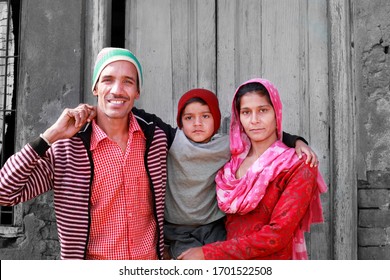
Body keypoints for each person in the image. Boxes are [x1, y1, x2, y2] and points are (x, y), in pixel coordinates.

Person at [0, 47, 176, 260]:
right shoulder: (67, 148)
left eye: (128, 81)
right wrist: (50, 136)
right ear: (95, 87)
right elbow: (5, 193)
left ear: (137, 91)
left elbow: (201, 149)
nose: (117, 90)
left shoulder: (155, 137)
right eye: (108, 80)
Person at [178, 78, 327, 260]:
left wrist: (207, 254)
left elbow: (277, 236)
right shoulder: (231, 160)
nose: (254, 120)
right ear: (238, 117)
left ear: (276, 113)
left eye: (263, 110)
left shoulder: (298, 165)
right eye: (246, 112)